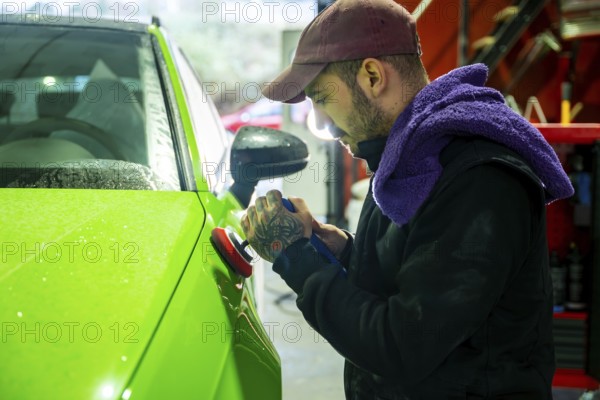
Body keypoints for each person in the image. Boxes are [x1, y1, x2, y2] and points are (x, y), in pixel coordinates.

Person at [241, 0, 574, 398]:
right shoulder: (412, 157)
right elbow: (415, 275)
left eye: (322, 98)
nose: (323, 124)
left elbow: (402, 346)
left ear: (371, 76)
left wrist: (296, 258)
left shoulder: (478, 180)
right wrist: (343, 251)